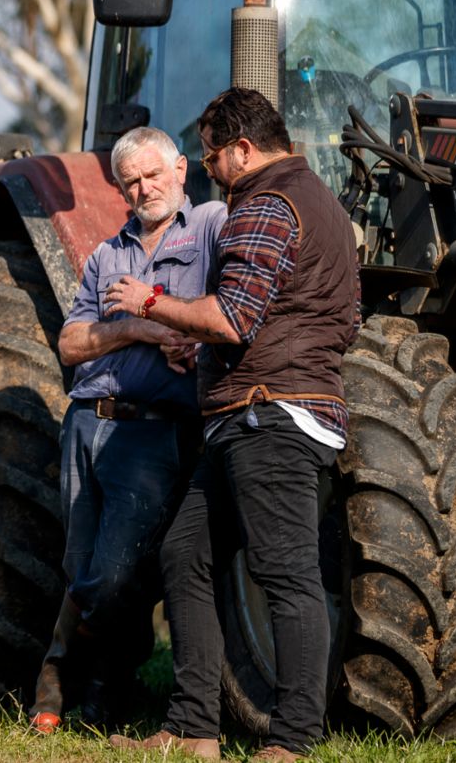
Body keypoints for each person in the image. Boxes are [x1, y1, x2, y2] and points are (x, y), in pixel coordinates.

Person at [105, 88, 360, 762]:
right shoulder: (323, 202)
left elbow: (233, 317)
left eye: (212, 154)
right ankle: (194, 730)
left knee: (287, 575)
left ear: (243, 149)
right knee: (185, 553)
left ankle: (294, 740)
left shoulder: (265, 204)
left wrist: (154, 303)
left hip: (268, 413)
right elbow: (305, 313)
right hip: (258, 407)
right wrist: (210, 346)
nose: (207, 167)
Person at [28, 126, 226, 734]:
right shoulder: (106, 254)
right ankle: (105, 697)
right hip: (87, 424)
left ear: (181, 171)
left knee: (115, 574)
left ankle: (58, 669)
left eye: (152, 175)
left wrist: (195, 341)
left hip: (152, 429)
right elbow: (69, 343)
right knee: (83, 564)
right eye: (131, 181)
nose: (143, 189)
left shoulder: (212, 226)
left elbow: (234, 305)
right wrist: (137, 328)